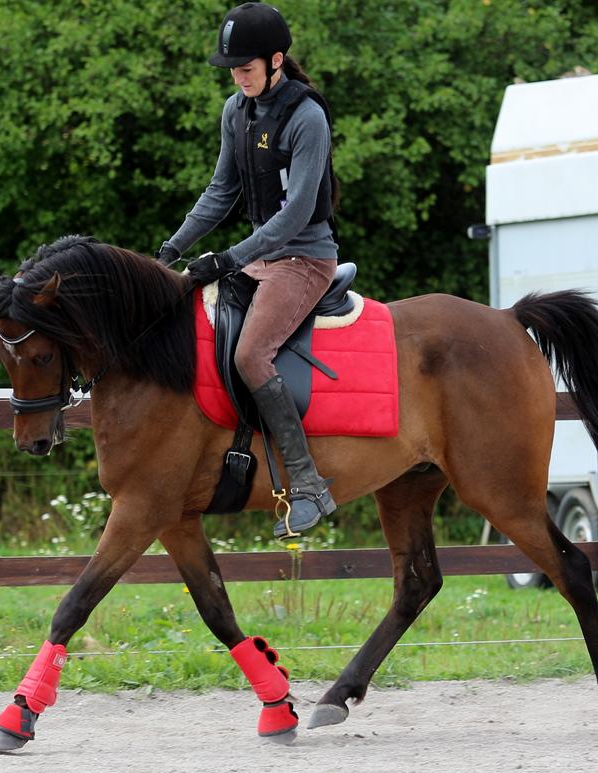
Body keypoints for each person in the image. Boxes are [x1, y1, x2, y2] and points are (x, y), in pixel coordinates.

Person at [155, 2, 340, 539]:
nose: (238, 77)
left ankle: (307, 485)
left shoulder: (307, 116)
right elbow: (220, 193)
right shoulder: (236, 112)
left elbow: (297, 212)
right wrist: (170, 251)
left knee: (250, 353)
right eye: (233, 69)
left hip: (304, 258)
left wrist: (229, 258)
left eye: (246, 68)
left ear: (276, 60)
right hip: (260, 258)